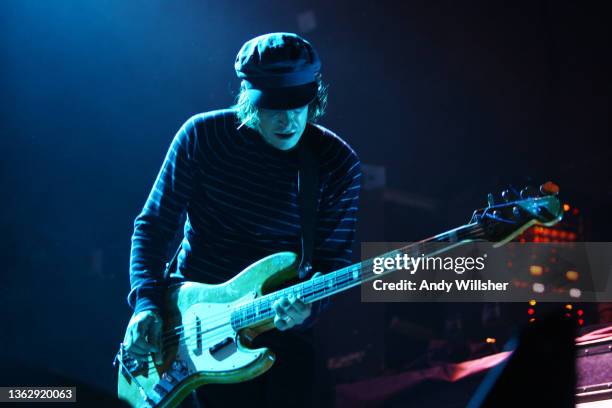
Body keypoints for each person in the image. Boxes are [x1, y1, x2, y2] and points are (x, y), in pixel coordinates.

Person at [122, 32, 361, 407]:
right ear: (248, 97)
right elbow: (153, 226)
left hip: (278, 330)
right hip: (187, 325)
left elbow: (334, 263)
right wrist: (146, 305)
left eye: (298, 105)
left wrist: (307, 310)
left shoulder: (336, 163)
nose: (287, 120)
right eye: (273, 107)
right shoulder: (202, 137)